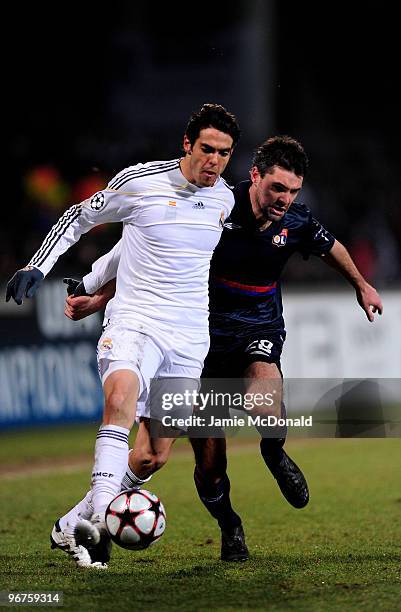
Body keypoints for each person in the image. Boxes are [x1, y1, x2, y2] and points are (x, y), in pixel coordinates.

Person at [63, 135, 383, 564]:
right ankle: (228, 524)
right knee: (189, 461)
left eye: (292, 191)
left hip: (256, 332)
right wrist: (100, 296)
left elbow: (333, 248)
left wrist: (361, 285)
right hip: (197, 344)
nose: (284, 200)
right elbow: (153, 255)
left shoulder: (297, 222)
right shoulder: (215, 206)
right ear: (254, 176)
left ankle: (274, 453)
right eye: (276, 189)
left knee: (263, 400)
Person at [5, 103, 241, 569]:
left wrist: (95, 289)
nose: (215, 161)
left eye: (225, 153)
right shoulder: (140, 182)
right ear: (187, 145)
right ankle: (95, 539)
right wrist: (40, 265)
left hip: (189, 336)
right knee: (120, 402)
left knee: (152, 456)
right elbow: (78, 217)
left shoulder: (224, 200)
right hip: (135, 319)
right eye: (208, 150)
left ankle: (79, 521)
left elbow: (138, 243)